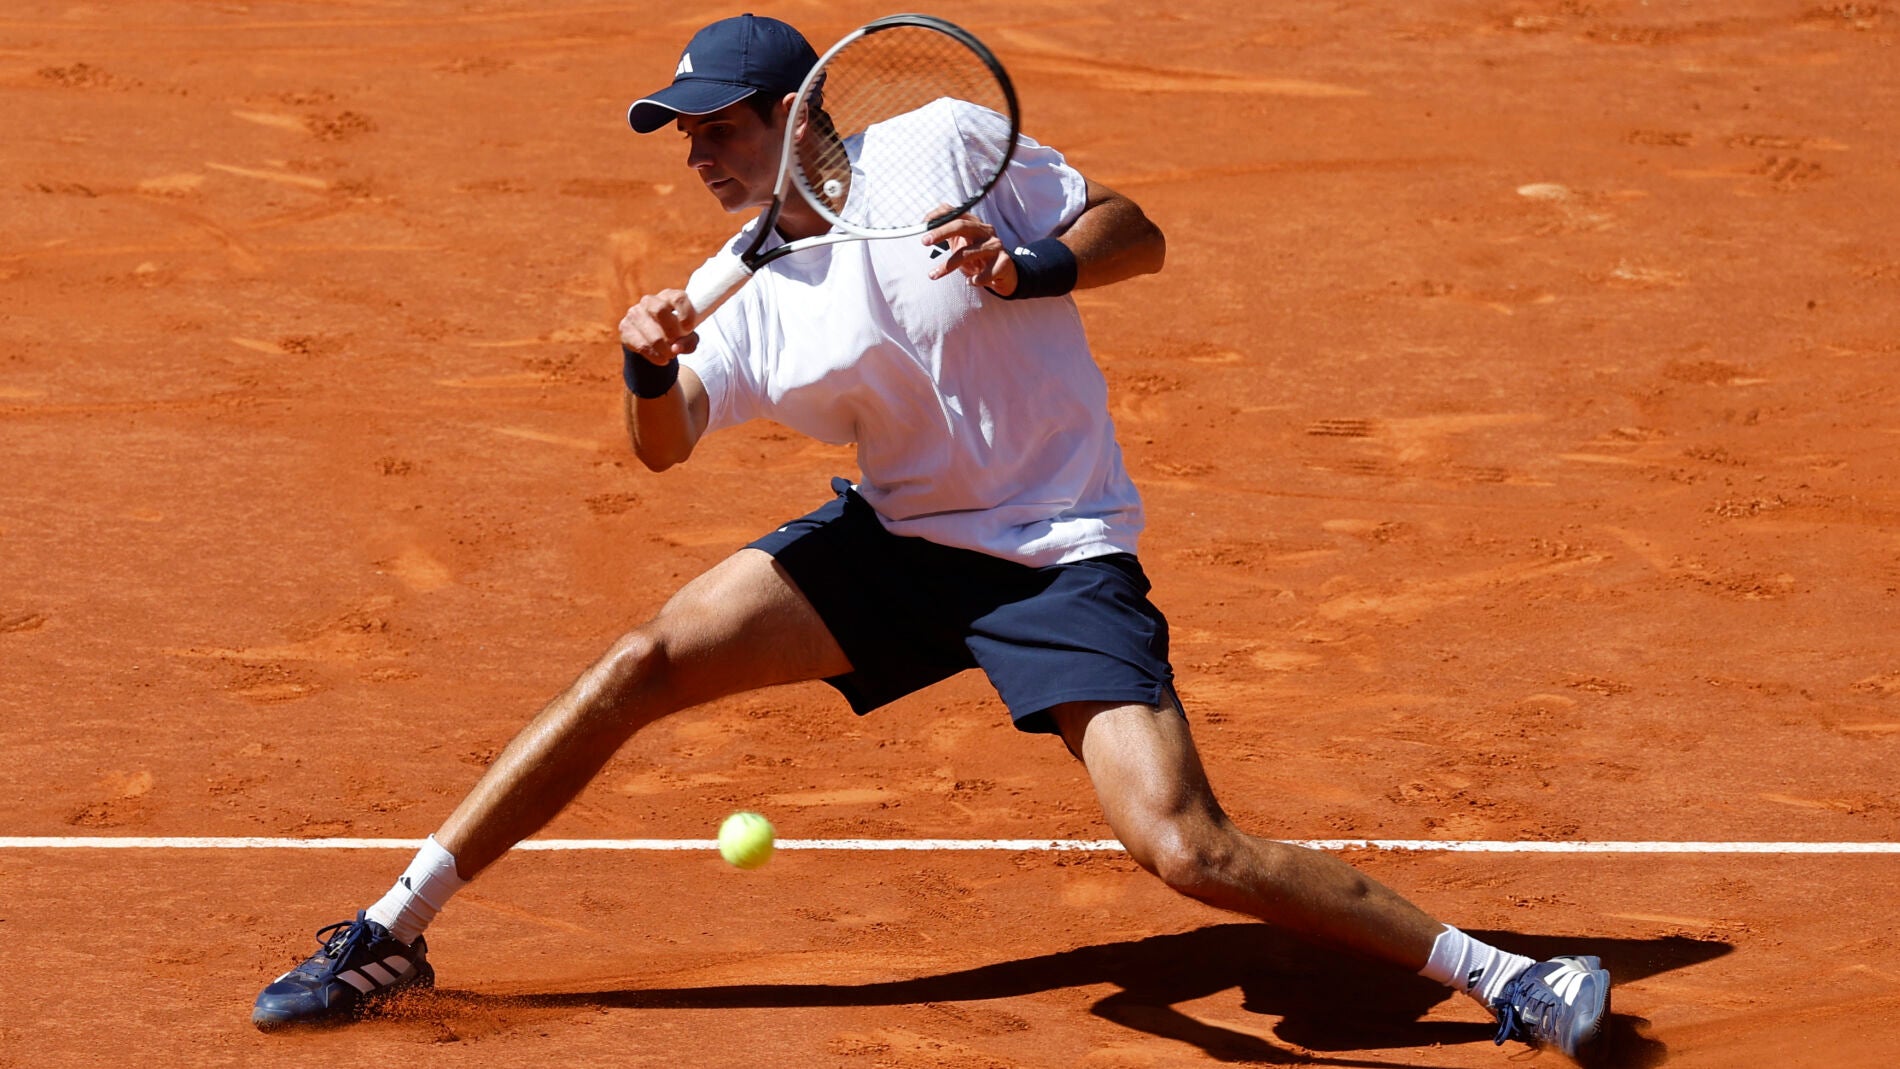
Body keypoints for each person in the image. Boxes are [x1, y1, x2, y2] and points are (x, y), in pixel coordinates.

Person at [252, 13, 1611, 1061]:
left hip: (1059, 555)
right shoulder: (738, 288)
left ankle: (1508, 977)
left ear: (794, 115)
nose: (696, 157)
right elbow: (661, 448)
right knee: (638, 662)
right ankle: (390, 930)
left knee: (1189, 848)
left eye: (715, 129)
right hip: (904, 546)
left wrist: (1033, 265)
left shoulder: (949, 143)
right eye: (682, 136)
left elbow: (1137, 234)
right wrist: (648, 365)